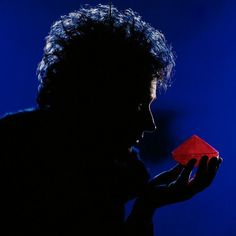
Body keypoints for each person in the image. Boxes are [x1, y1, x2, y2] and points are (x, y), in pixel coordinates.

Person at [0, 4, 222, 235]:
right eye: (136, 104)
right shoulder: (11, 152)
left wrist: (147, 206)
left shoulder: (122, 171)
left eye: (149, 105)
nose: (150, 124)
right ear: (93, 99)